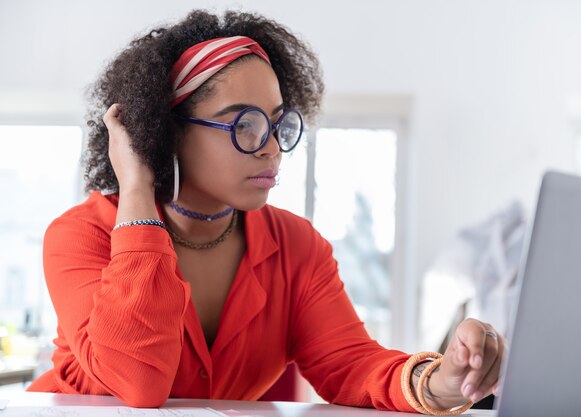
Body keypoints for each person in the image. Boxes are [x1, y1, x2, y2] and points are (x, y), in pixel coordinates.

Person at [28, 10, 505, 415]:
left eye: (278, 124)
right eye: (245, 124)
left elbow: (349, 363)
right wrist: (135, 188)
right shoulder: (81, 236)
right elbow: (136, 382)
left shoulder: (297, 247)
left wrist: (440, 381)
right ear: (166, 130)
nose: (273, 148)